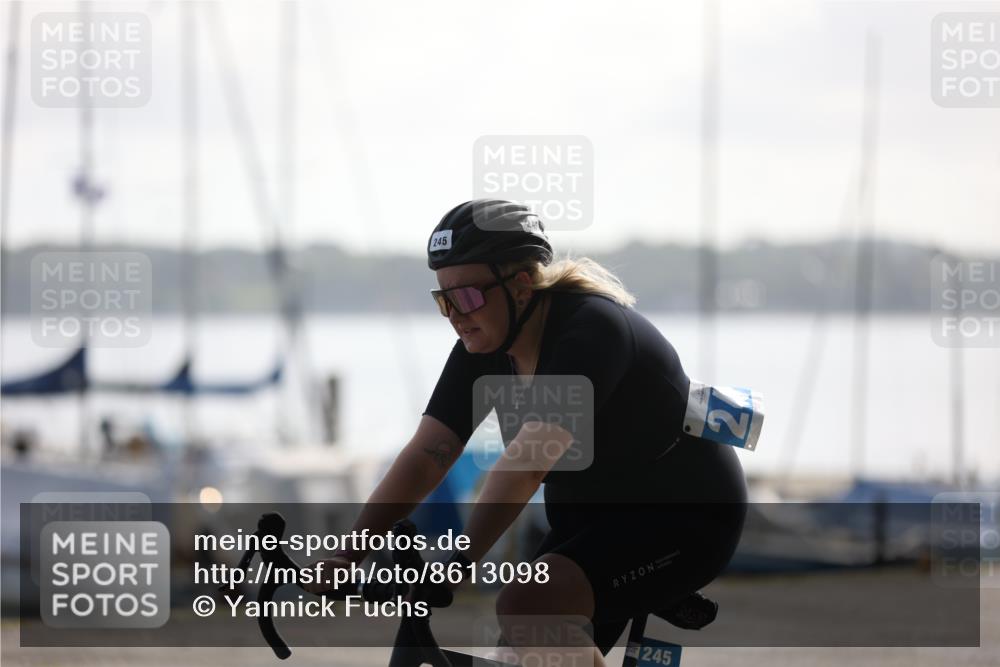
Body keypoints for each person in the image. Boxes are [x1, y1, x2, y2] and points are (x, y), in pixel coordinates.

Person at [306, 199, 747, 665]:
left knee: (526, 604)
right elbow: (428, 454)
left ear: (520, 286)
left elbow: (524, 467)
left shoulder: (591, 330)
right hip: (590, 518)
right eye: (443, 299)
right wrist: (350, 552)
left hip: (685, 515)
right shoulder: (482, 346)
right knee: (520, 652)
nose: (455, 314)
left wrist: (458, 564)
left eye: (468, 296)